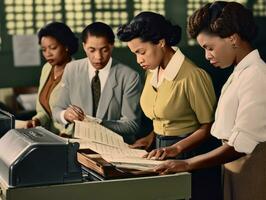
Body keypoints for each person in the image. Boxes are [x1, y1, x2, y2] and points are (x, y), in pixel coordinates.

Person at [153, 1, 266, 200]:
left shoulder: (257, 75)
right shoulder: (240, 73)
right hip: (233, 165)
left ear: (232, 38)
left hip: (252, 166)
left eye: (210, 47)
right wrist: (176, 148)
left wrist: (187, 163)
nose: (207, 56)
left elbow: (241, 145)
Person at [117, 11, 221, 200]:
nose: (138, 60)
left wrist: (177, 149)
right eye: (134, 54)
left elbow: (209, 127)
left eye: (141, 52)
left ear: (161, 42)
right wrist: (150, 138)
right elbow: (163, 116)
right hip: (160, 150)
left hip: (189, 155)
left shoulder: (192, 76)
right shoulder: (152, 71)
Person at [52, 22, 142, 144]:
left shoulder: (130, 76)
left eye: (104, 50)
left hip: (117, 148)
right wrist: (65, 115)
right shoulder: (71, 69)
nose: (98, 57)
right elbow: (57, 110)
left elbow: (132, 125)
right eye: (92, 50)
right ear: (84, 47)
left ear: (112, 46)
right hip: (81, 146)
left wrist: (97, 124)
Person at [25, 22, 78, 134]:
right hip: (48, 136)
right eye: (44, 49)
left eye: (53, 48)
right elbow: (44, 110)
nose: (47, 54)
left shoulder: (77, 72)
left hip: (68, 138)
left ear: (66, 46)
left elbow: (79, 116)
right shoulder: (47, 68)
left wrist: (66, 136)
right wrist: (37, 120)